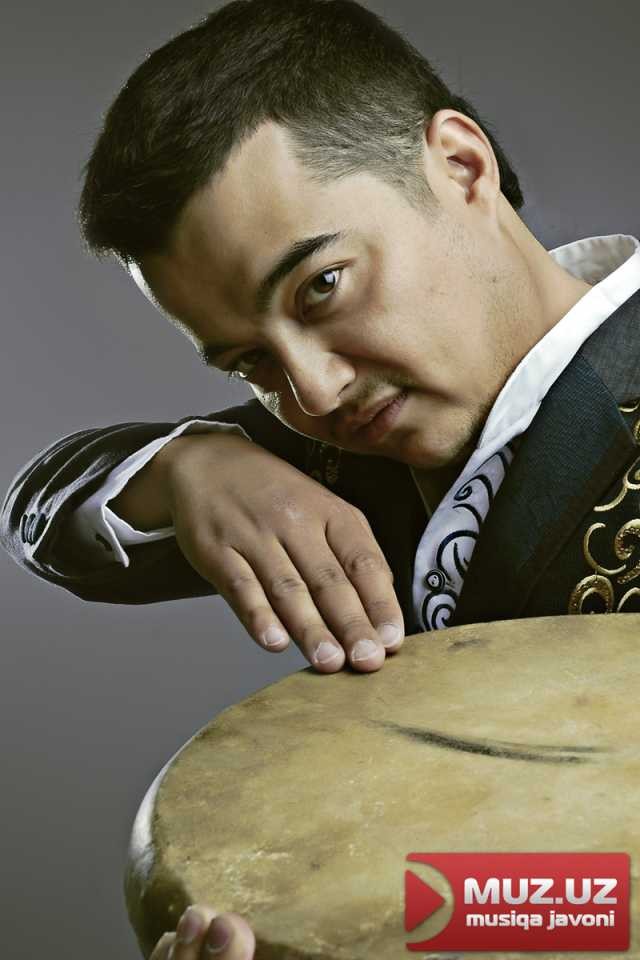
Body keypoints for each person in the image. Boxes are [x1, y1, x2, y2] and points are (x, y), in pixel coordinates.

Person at [2, 0, 639, 953]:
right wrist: (189, 466)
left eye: (322, 287)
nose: (313, 390)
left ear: (461, 165)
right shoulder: (339, 445)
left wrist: (382, 929)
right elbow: (44, 514)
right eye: (249, 362)